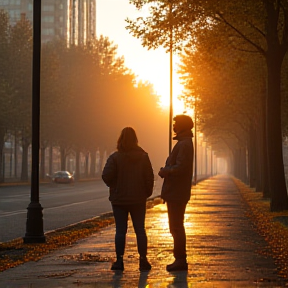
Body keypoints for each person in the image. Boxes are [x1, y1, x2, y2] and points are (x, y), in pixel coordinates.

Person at [102, 127, 154, 272]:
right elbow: (149, 176)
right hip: (138, 199)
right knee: (140, 230)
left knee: (120, 230)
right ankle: (143, 260)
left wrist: (114, 186)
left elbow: (106, 176)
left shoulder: (115, 158)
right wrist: (145, 193)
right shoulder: (143, 156)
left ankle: (119, 261)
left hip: (119, 200)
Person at [158, 114, 194, 272]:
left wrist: (166, 171)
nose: (174, 126)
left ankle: (180, 260)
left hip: (177, 192)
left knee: (176, 227)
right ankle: (179, 259)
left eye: (176, 124)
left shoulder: (184, 145)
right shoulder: (183, 143)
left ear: (183, 126)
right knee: (176, 226)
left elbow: (181, 168)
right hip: (177, 191)